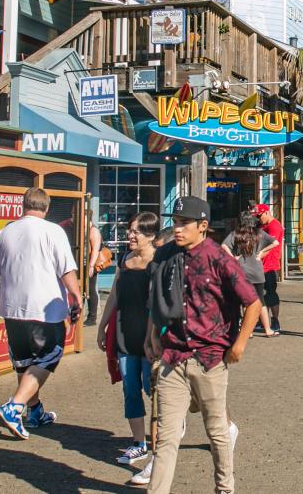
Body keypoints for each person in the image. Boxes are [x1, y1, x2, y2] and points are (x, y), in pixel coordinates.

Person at [145, 195, 261, 494]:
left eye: (185, 223)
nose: (178, 228)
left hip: (209, 359)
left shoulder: (219, 258)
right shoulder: (166, 255)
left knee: (217, 431)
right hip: (173, 356)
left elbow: (253, 302)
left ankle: (224, 488)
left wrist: (239, 345)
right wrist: (152, 335)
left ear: (203, 226)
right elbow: (157, 299)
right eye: (176, 222)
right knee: (166, 436)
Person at [0, 187, 82, 439]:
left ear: (23, 205)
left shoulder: (5, 231)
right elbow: (66, 269)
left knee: (24, 362)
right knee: (48, 356)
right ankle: (15, 406)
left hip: (11, 308)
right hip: (45, 309)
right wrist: (76, 296)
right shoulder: (53, 231)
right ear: (47, 207)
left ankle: (35, 411)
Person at [98, 212, 161, 468]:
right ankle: (139, 443)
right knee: (130, 389)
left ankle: (162, 440)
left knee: (151, 387)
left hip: (148, 334)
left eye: (136, 231)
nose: (130, 235)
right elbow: (114, 293)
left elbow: (157, 304)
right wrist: (102, 325)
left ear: (151, 235)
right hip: (124, 331)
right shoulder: (125, 259)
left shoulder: (157, 262)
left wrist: (152, 337)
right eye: (130, 230)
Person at [223, 211, 278, 337]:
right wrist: (261, 253)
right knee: (261, 301)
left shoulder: (235, 234)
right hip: (257, 272)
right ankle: (268, 329)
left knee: (245, 301)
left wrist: (233, 258)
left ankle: (249, 331)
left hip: (241, 271)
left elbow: (223, 246)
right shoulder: (258, 233)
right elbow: (275, 243)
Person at [255, 204, 284, 333]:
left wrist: (260, 254)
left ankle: (275, 320)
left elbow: (272, 244)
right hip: (261, 265)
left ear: (266, 212)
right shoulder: (263, 226)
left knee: (271, 294)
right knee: (261, 295)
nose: (259, 218)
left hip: (270, 265)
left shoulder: (274, 226)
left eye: (260, 216)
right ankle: (263, 321)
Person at [85, 217, 104, 327]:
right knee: (85, 289)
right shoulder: (84, 228)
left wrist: (91, 266)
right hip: (83, 263)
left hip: (90, 265)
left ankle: (92, 318)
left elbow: (95, 250)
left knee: (91, 289)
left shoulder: (93, 230)